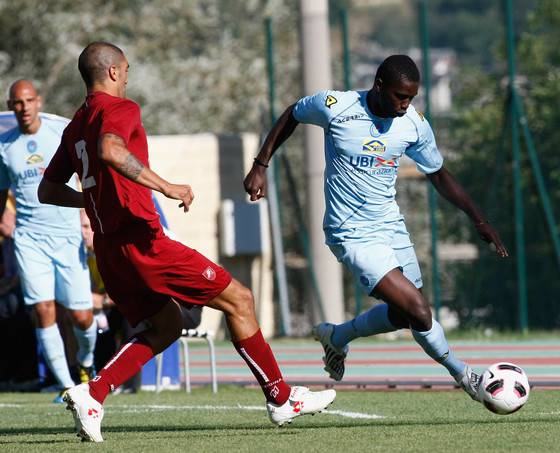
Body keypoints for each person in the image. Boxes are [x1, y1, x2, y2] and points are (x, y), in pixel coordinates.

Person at [38, 41, 335, 443]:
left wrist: (90, 201)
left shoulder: (75, 124)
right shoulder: (120, 108)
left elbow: (48, 190)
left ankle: (94, 393)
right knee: (240, 299)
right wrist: (166, 186)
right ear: (112, 72)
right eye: (126, 70)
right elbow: (110, 149)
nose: (127, 78)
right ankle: (281, 398)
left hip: (110, 251)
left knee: (166, 326)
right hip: (144, 242)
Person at [244, 55, 509, 401]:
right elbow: (293, 114)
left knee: (403, 315)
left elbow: (439, 175)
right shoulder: (336, 106)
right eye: (400, 96)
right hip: (351, 232)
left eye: (411, 98)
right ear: (379, 86)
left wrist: (479, 220)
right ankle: (465, 375)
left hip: (390, 226)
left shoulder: (413, 124)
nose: (405, 104)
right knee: (419, 311)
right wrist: (260, 165)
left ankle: (338, 337)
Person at [0, 80, 97, 402]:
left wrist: (88, 216)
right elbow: (1, 194)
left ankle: (86, 364)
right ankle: (66, 386)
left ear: (38, 101)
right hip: (29, 239)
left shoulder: (61, 133)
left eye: (28, 100)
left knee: (81, 317)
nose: (24, 107)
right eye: (17, 102)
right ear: (11, 106)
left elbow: (85, 175)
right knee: (43, 310)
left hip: (67, 237)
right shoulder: (4, 146)